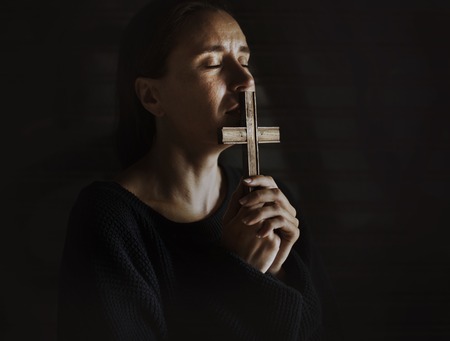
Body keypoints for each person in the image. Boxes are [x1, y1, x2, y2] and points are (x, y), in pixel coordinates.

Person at [58, 1, 340, 340]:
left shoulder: (273, 203)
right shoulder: (111, 220)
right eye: (213, 63)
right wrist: (240, 277)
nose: (246, 80)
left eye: (245, 60)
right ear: (152, 97)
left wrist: (277, 273)